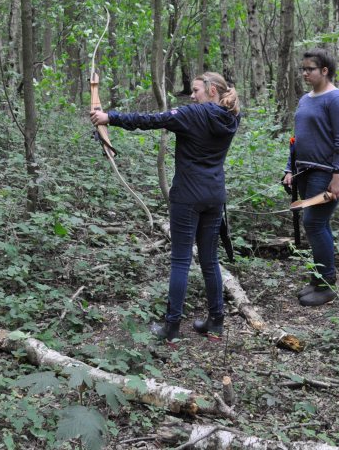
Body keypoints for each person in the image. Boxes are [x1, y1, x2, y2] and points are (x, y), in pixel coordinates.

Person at [90, 72, 240, 341]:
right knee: (209, 260)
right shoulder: (231, 116)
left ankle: (171, 327)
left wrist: (109, 117)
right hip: (214, 195)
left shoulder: (193, 114)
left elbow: (150, 120)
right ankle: (216, 322)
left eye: (196, 90)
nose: (192, 96)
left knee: (181, 260)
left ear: (213, 90)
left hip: (187, 195)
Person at [283, 49, 339, 307]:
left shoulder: (336, 101)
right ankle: (319, 279)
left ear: (324, 70)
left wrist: (338, 176)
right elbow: (298, 137)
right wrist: (289, 168)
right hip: (305, 171)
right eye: (303, 69)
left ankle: (326, 284)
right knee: (317, 225)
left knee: (314, 223)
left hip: (326, 173)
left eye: (310, 69)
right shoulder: (305, 99)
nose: (304, 73)